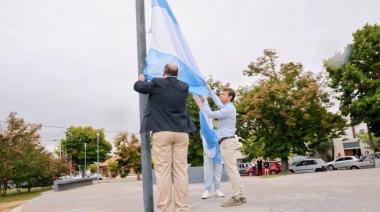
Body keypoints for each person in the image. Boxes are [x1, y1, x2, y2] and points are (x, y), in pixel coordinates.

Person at [134, 63, 197, 212]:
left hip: (162, 132)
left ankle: (165, 209)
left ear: (164, 72)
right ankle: (182, 209)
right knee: (181, 172)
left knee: (163, 173)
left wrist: (141, 79)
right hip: (181, 133)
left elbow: (138, 87)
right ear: (177, 74)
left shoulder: (156, 83)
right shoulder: (184, 86)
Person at [199, 85, 246, 207]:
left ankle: (236, 197)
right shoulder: (227, 107)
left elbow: (209, 114)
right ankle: (241, 195)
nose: (220, 95)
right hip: (227, 142)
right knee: (234, 170)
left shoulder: (228, 109)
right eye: (220, 93)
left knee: (231, 171)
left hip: (226, 143)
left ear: (230, 97)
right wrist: (210, 90)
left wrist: (204, 101)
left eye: (223, 94)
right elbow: (216, 100)